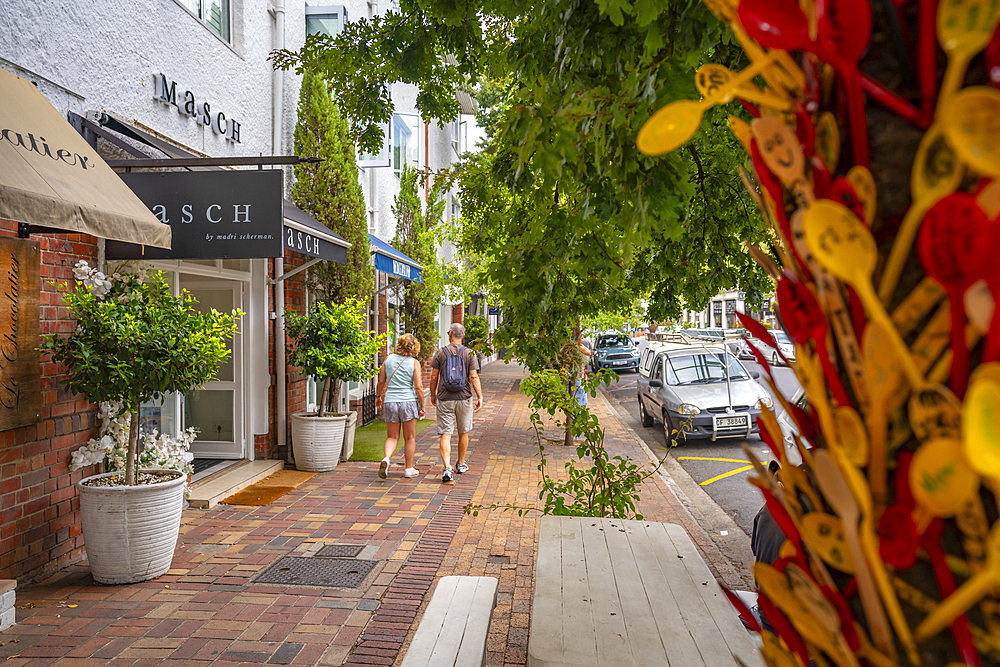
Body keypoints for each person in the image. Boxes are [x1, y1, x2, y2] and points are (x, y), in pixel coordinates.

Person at [429, 323, 483, 483]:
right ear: (463, 336)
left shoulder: (440, 352)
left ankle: (447, 468)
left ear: (450, 334)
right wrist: (480, 396)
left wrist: (433, 394)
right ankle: (460, 464)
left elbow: (433, 377)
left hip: (445, 397)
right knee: (463, 432)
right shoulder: (469, 353)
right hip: (464, 398)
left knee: (446, 433)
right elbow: (474, 376)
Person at [374, 333, 426, 479]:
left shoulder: (388, 359)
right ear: (414, 347)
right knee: (409, 438)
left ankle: (386, 458)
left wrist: (378, 397)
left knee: (392, 436)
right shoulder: (414, 363)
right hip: (408, 402)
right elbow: (419, 387)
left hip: (390, 401)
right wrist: (422, 405)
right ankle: (408, 469)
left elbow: (380, 381)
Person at [574, 332, 592, 407]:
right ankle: (580, 411)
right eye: (581, 338)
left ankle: (581, 410)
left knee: (581, 391)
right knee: (580, 391)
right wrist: (580, 344)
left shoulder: (577, 346)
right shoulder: (578, 348)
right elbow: (588, 352)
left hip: (580, 372)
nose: (583, 340)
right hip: (578, 373)